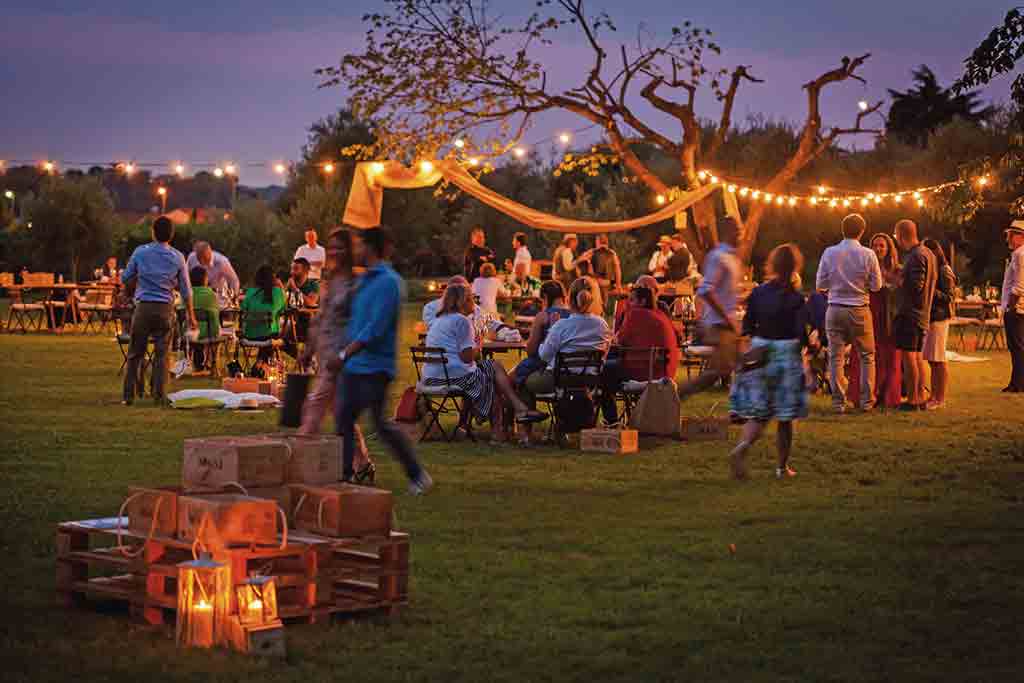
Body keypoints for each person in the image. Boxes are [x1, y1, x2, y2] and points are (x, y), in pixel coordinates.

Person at [334, 226, 432, 494]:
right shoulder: (364, 280)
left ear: (370, 247)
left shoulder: (389, 282)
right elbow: (354, 321)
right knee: (344, 419)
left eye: (360, 245)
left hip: (375, 366)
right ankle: (344, 477)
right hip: (355, 366)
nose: (356, 251)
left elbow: (375, 329)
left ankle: (416, 474)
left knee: (379, 425)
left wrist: (344, 353)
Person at [423, 283, 546, 441]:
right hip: (453, 377)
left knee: (493, 366)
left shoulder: (440, 319)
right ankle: (501, 430)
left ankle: (518, 410)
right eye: (471, 299)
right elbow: (467, 358)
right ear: (463, 301)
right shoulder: (462, 321)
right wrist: (479, 343)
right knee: (492, 383)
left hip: (433, 376)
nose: (474, 304)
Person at [298, 229, 375, 482]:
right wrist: (308, 349)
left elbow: (362, 322)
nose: (334, 252)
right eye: (331, 247)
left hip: (342, 357)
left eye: (340, 247)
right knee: (340, 412)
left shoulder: (357, 282)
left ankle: (299, 462)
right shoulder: (330, 279)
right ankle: (363, 463)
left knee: (314, 406)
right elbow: (321, 317)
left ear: (349, 250)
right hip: (325, 352)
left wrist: (345, 354)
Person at [728, 244, 810, 480]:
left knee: (760, 412)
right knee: (785, 417)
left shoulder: (759, 292)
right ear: (795, 267)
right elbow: (800, 335)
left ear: (772, 264)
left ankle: (742, 446)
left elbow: (747, 326)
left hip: (761, 350)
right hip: (786, 353)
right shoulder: (795, 299)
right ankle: (782, 468)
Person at [518, 278, 612, 443]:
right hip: (590, 380)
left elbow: (543, 355)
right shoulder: (602, 324)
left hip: (559, 379)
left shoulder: (562, 325)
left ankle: (526, 434)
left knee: (524, 381)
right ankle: (560, 430)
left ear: (570, 298)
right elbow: (605, 352)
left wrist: (552, 330)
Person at [121, 215, 196, 404]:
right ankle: (159, 395)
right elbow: (186, 290)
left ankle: (128, 396)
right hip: (165, 309)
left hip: (144, 307)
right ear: (171, 235)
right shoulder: (178, 257)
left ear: (153, 232)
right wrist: (191, 316)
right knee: (162, 355)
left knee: (135, 353)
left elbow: (126, 277)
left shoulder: (140, 252)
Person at [815, 214, 882, 412]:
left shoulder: (829, 252)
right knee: (867, 356)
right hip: (859, 309)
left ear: (843, 230)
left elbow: (820, 284)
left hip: (835, 308)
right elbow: (877, 285)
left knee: (835, 357)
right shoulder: (868, 254)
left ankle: (838, 403)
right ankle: (866, 402)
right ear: (862, 231)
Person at [678, 217, 742, 399]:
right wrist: (727, 317)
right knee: (714, 374)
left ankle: (744, 410)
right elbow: (706, 290)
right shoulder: (718, 257)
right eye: (738, 230)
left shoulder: (731, 257)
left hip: (729, 324)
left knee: (745, 367)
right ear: (728, 232)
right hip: (720, 325)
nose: (741, 234)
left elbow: (724, 292)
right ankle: (673, 395)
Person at [848, 233, 903, 409]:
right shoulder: (864, 267)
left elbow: (900, 292)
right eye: (875, 245)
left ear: (888, 249)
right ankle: (863, 394)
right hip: (868, 313)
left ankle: (887, 395)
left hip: (887, 317)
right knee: (865, 354)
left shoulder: (897, 269)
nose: (878, 249)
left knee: (889, 355)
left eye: (882, 246)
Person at [893, 219, 937, 410]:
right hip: (922, 313)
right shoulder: (928, 253)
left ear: (901, 235)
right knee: (917, 356)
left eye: (896, 236)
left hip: (911, 313)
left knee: (909, 356)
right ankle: (919, 396)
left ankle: (912, 399)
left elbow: (916, 285)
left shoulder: (916, 255)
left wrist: (898, 280)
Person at [513, 280, 573, 385]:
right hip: (569, 365)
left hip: (545, 364)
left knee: (513, 375)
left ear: (545, 296)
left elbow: (531, 351)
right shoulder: (573, 315)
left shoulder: (543, 316)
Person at [922, 239, 956, 410]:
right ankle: (933, 395)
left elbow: (949, 297)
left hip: (940, 318)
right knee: (932, 359)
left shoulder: (944, 270)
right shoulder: (932, 270)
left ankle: (940, 398)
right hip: (930, 318)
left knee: (938, 359)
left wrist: (929, 289)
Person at [240, 264, 287, 368]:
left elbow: (243, 309)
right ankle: (262, 365)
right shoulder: (277, 292)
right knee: (284, 336)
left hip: (249, 335)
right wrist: (280, 286)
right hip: (269, 336)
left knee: (268, 333)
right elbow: (284, 308)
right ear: (273, 279)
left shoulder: (250, 292)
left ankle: (260, 363)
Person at [1000, 220, 1024, 392]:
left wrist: (1010, 306)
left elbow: (1019, 284)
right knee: (1018, 347)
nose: (1008, 238)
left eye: (1011, 235)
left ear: (1020, 236)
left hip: (1017, 308)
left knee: (1017, 347)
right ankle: (1017, 382)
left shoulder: (1020, 254)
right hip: (1019, 307)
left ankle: (1018, 383)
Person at [185, 266, 220, 371]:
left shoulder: (186, 293)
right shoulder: (210, 294)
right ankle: (212, 362)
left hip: (187, 333)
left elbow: (181, 313)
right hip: (205, 333)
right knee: (216, 333)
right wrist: (215, 334)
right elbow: (214, 318)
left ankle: (198, 361)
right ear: (205, 279)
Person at [589, 233, 623, 298]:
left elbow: (590, 270)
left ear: (598, 242)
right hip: (606, 282)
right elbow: (617, 270)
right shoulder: (612, 253)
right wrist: (618, 285)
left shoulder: (593, 253)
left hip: (598, 282)